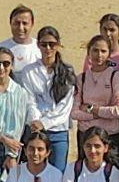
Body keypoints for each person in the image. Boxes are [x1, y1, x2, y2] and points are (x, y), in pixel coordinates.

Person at [17, 26, 77, 170]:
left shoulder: (67, 71)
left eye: (52, 44)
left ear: (58, 45)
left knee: (58, 173)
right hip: (35, 130)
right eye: (44, 44)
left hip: (58, 132)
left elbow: (65, 105)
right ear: (38, 45)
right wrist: (36, 122)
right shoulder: (28, 71)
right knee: (33, 172)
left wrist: (44, 123)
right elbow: (29, 100)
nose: (48, 48)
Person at [0, 45, 31, 171]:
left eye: (6, 64)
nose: (1, 68)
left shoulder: (20, 93)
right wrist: (1, 138)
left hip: (11, 149)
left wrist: (11, 155)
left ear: (12, 66)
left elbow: (19, 126)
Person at [74, 36, 119, 150]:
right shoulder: (81, 79)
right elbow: (74, 112)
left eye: (103, 51)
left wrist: (92, 108)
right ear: (89, 52)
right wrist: (98, 114)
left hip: (110, 136)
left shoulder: (115, 77)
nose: (99, 55)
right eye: (95, 50)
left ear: (109, 54)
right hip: (85, 135)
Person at [0, 5, 39, 76]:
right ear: (10, 23)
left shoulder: (42, 48)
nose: (20, 28)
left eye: (25, 23)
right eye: (17, 23)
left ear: (32, 24)